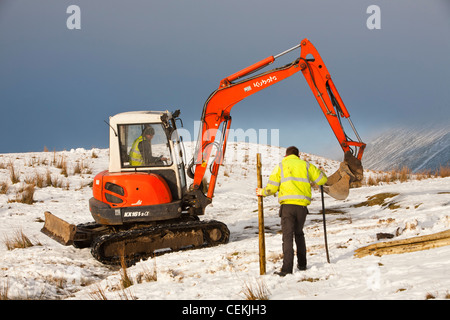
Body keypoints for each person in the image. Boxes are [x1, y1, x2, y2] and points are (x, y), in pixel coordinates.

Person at [256, 146, 327, 276]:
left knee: (287, 237)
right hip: (302, 208)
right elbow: (322, 180)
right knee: (299, 234)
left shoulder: (281, 166)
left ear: (286, 156)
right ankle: (302, 264)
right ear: (298, 156)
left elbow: (272, 188)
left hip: (287, 207)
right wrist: (321, 171)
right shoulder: (306, 165)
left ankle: (287, 269)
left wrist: (262, 192)